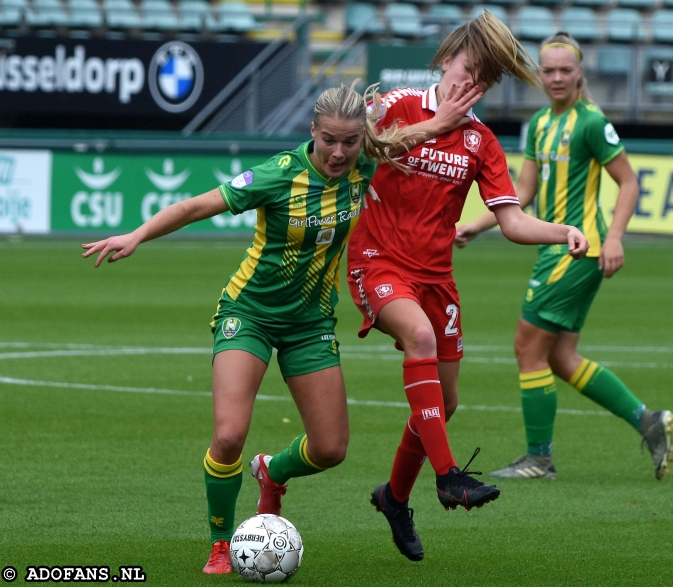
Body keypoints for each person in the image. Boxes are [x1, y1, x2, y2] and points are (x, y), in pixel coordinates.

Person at [81, 82, 422, 575]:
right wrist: (137, 234)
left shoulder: (366, 163)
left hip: (311, 323)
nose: (339, 152)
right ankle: (222, 543)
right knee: (229, 435)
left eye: (350, 142)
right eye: (329, 139)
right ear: (313, 131)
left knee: (330, 449)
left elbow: (415, 137)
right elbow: (197, 206)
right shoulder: (278, 175)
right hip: (250, 314)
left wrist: (451, 109)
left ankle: (272, 471)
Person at [346, 13, 590, 562]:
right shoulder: (398, 105)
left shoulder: (481, 140)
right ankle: (448, 476)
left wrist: (563, 231)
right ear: (446, 59)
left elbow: (512, 221)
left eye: (482, 80)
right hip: (377, 261)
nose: (468, 85)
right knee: (420, 341)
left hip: (436, 278)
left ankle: (394, 497)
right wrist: (433, 127)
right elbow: (354, 147)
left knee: (446, 401)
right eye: (465, 70)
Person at [456, 31, 673, 483]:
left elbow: (629, 183)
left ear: (580, 75)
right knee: (561, 358)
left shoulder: (591, 122)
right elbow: (523, 193)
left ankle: (539, 458)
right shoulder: (538, 124)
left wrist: (614, 237)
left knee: (526, 347)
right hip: (554, 249)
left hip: (578, 249)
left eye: (565, 70)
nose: (556, 78)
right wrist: (476, 226)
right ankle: (647, 421)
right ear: (539, 75)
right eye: (548, 70)